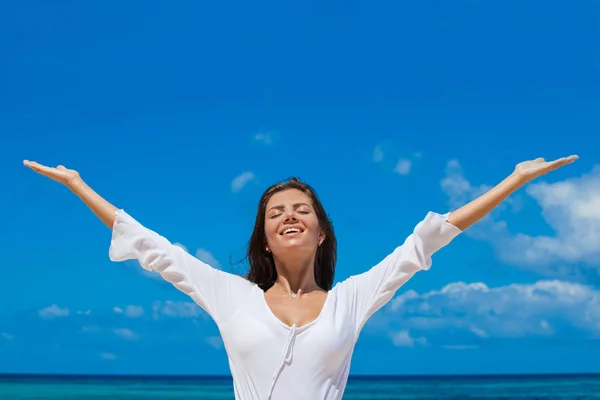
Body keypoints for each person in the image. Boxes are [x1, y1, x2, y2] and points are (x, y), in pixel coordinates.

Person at [23, 155, 578, 399]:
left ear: (322, 233)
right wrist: (76, 184)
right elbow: (149, 246)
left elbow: (428, 239)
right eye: (276, 213)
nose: (290, 215)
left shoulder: (353, 298)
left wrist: (515, 179)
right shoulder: (228, 293)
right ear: (265, 237)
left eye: (302, 210)